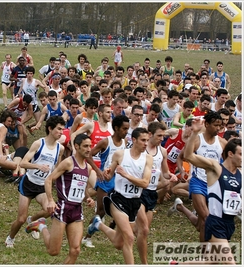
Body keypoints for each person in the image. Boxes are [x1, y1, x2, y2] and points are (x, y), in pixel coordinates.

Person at [86, 127, 153, 264]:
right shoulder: (120, 155)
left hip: (135, 201)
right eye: (143, 140)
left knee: (118, 242)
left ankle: (98, 224)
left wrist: (126, 175)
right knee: (129, 237)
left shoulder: (147, 159)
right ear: (134, 140)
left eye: (147, 140)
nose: (146, 143)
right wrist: (106, 174)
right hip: (119, 199)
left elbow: (145, 183)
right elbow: (109, 176)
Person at [25, 134, 95, 264]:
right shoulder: (68, 162)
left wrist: (88, 198)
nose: (89, 149)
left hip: (77, 210)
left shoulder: (88, 167)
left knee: (75, 250)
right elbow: (49, 180)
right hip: (63, 208)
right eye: (85, 146)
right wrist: (51, 200)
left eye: (90, 146)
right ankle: (41, 226)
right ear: (76, 146)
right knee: (53, 251)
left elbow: (82, 185)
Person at [178, 122, 241, 264]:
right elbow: (188, 156)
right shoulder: (215, 167)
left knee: (210, 261)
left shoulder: (240, 174)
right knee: (230, 263)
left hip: (229, 224)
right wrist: (194, 134)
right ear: (231, 154)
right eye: (241, 154)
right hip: (215, 223)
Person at [5, 116, 65, 248]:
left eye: (63, 129)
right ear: (50, 128)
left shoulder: (60, 149)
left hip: (43, 186)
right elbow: (23, 163)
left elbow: (57, 169)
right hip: (28, 183)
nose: (61, 132)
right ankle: (10, 238)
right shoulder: (39, 144)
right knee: (20, 219)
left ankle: (32, 220)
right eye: (59, 129)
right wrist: (38, 166)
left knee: (50, 210)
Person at [168, 111, 227, 242]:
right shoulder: (197, 140)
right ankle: (204, 257)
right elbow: (183, 156)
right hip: (198, 182)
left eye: (220, 125)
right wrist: (182, 171)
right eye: (215, 125)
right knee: (207, 219)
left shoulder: (222, 143)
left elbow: (229, 164)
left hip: (214, 185)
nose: (218, 128)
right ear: (206, 124)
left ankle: (180, 207)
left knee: (201, 225)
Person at [81, 115, 130, 248]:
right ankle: (86, 237)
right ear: (116, 128)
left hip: (119, 179)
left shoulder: (125, 142)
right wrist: (98, 171)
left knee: (121, 207)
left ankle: (114, 224)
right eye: (124, 129)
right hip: (105, 180)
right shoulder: (106, 142)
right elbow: (89, 155)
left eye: (128, 129)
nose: (126, 131)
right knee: (101, 212)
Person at [134, 122, 176, 264]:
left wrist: (171, 176)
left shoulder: (162, 152)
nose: (161, 139)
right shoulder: (140, 150)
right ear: (150, 134)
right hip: (139, 192)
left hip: (152, 192)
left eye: (163, 136)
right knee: (144, 230)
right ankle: (144, 263)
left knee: (137, 231)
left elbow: (165, 173)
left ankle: (115, 228)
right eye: (159, 135)